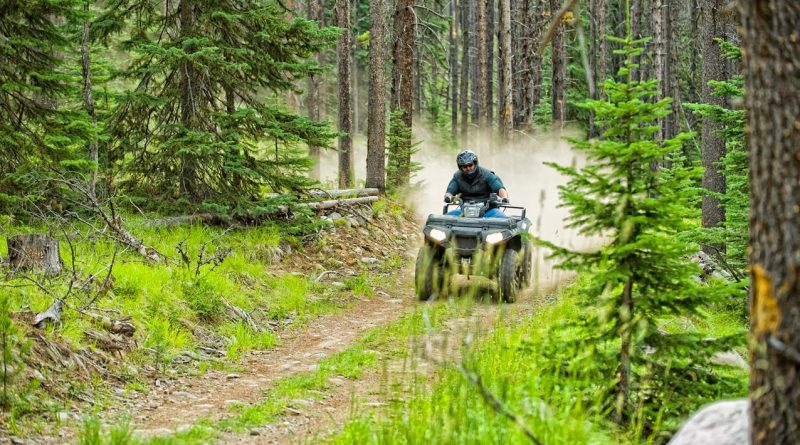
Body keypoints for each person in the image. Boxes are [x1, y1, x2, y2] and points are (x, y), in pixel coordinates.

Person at [444, 150, 509, 218]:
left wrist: (504, 197)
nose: (468, 168)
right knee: (443, 220)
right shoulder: (457, 177)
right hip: (464, 212)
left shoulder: (487, 175)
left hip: (488, 211)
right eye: (465, 166)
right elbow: (450, 191)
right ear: (460, 167)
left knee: (505, 221)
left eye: (470, 165)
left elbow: (499, 188)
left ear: (475, 163)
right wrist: (448, 197)